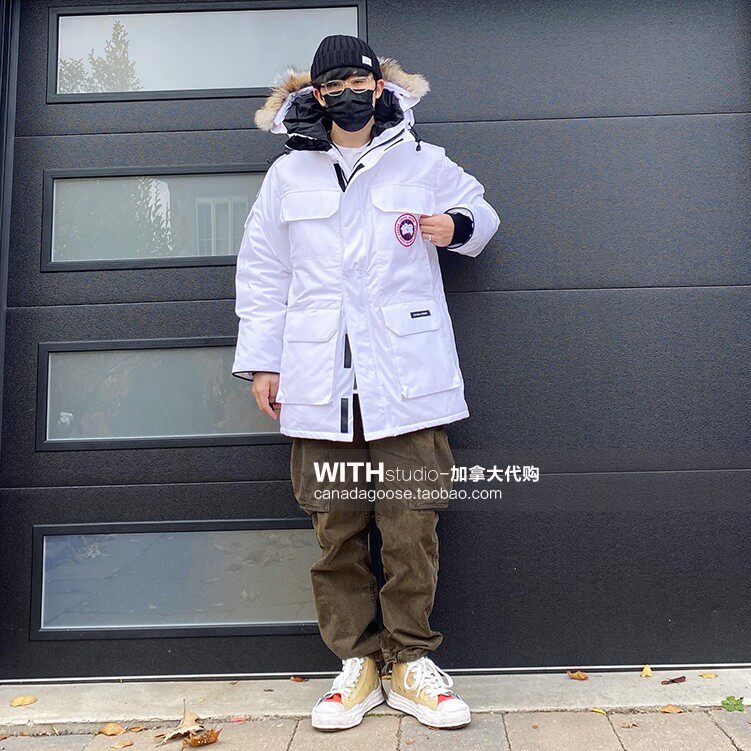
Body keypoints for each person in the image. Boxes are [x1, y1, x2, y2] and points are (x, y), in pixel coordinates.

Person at [232, 34, 500, 732]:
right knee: (336, 529)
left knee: (411, 526)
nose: (349, 93)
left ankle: (410, 662)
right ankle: (356, 663)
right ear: (316, 94)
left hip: (405, 377)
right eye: (334, 84)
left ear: (379, 86)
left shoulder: (422, 160)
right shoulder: (288, 175)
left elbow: (482, 215)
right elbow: (262, 272)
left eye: (360, 80)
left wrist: (454, 224)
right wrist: (264, 361)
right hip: (318, 376)